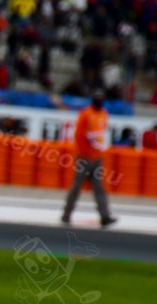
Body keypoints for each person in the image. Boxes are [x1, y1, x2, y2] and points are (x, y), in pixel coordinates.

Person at [61, 90, 116, 227]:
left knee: (99, 188)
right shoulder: (86, 113)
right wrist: (83, 151)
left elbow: (102, 132)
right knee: (76, 186)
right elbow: (79, 134)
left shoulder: (104, 114)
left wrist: (99, 146)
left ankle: (105, 216)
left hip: (97, 157)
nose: (99, 101)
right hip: (84, 157)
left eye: (101, 99)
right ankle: (66, 214)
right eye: (97, 99)